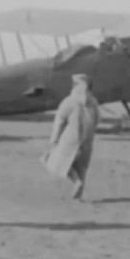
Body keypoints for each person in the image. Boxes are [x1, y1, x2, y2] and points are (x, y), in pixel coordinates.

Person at [41, 73, 100, 201]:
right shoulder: (94, 102)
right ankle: (79, 196)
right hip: (88, 140)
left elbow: (59, 122)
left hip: (71, 139)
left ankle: (76, 181)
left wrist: (54, 140)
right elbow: (96, 121)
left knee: (60, 163)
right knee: (82, 167)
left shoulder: (69, 101)